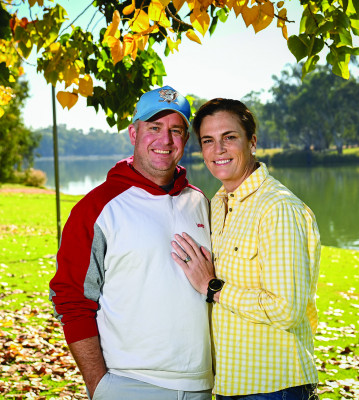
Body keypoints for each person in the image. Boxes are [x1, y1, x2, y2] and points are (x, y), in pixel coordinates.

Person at [49, 86, 214, 400]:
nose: (165, 140)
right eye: (154, 128)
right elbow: (70, 298)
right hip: (129, 383)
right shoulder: (96, 208)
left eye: (176, 130)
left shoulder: (200, 202)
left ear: (185, 139)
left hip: (200, 384)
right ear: (133, 133)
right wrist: (98, 383)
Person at [171, 98, 321, 400]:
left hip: (275, 386)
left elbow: (286, 310)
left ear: (252, 142)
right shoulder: (217, 203)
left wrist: (212, 287)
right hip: (232, 383)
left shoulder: (277, 207)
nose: (218, 150)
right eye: (208, 141)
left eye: (229, 137)